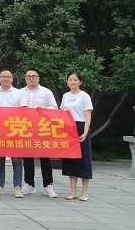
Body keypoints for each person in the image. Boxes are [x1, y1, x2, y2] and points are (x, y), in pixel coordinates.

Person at [0, 68, 27, 198]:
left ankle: (18, 186)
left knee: (17, 159)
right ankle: (0, 185)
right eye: (3, 76)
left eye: (8, 77)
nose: (6, 79)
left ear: (12, 78)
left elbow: (24, 111)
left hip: (15, 130)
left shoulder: (19, 93)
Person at [20, 67, 59, 198]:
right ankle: (29, 184)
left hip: (42, 128)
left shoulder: (46, 92)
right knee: (27, 157)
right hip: (26, 128)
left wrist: (44, 109)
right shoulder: (20, 93)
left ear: (38, 78)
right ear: (25, 78)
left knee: (45, 157)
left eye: (34, 76)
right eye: (28, 76)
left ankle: (48, 185)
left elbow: (54, 107)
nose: (31, 79)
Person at [60, 72, 93, 201]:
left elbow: (88, 115)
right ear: (67, 82)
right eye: (70, 80)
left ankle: (85, 192)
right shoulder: (65, 96)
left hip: (80, 127)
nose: (73, 82)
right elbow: (61, 112)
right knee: (70, 160)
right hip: (68, 129)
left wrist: (85, 132)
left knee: (84, 159)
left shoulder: (84, 96)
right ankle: (72, 191)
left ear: (80, 82)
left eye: (75, 80)